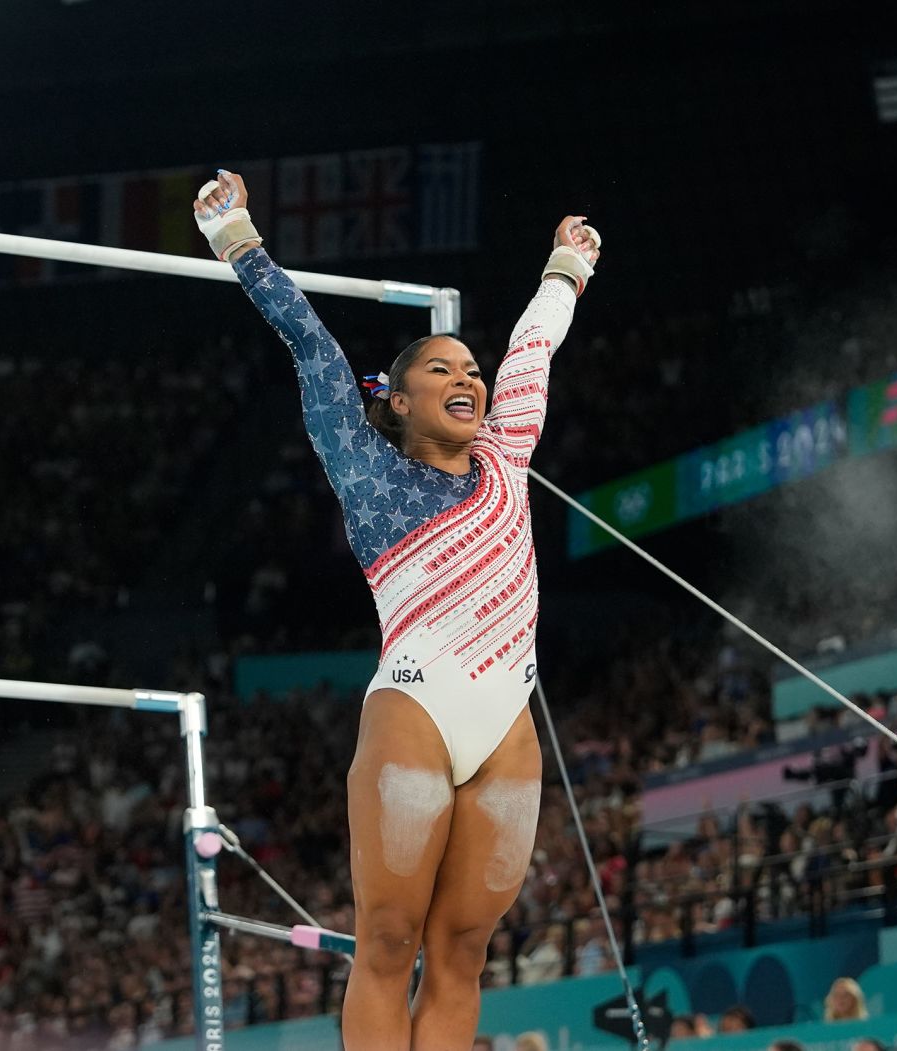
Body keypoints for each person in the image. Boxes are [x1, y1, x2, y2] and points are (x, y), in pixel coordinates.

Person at [193, 170, 600, 1049]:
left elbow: (534, 348)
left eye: (470, 369)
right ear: (400, 399)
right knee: (388, 940)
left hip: (506, 721)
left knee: (462, 948)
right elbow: (313, 351)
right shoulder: (367, 471)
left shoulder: (507, 454)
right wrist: (239, 242)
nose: (469, 378)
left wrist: (565, 266)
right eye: (443, 370)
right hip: (416, 704)